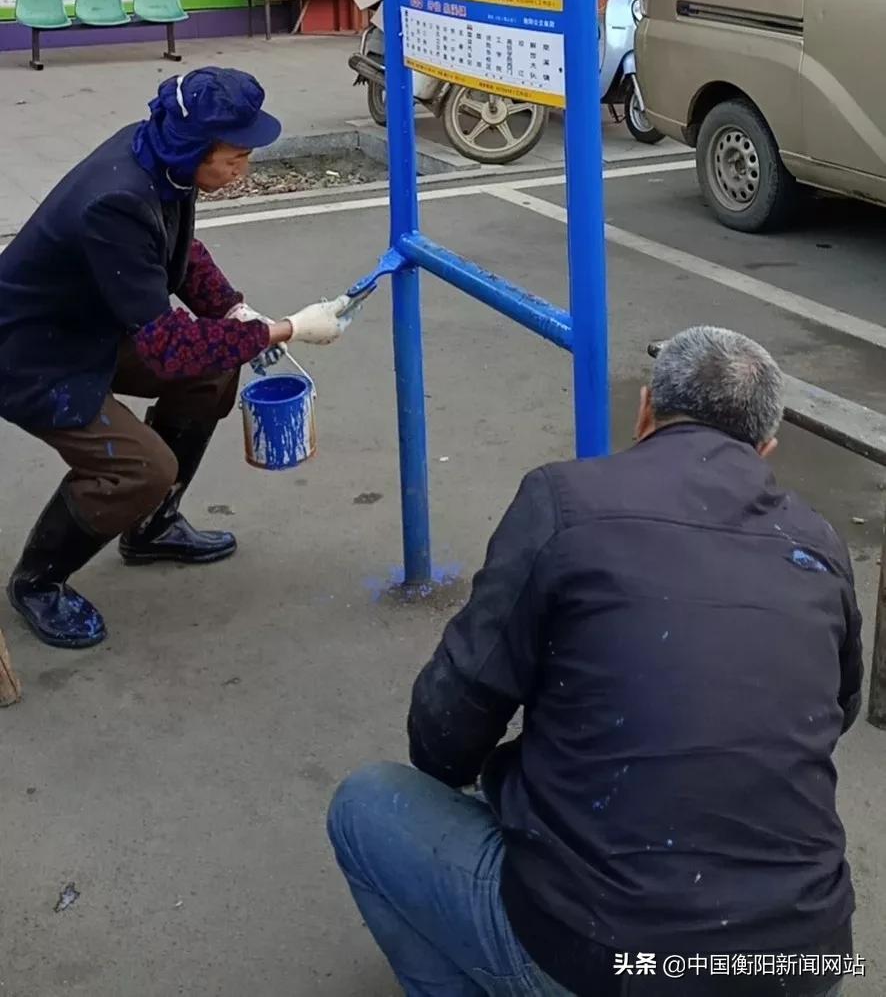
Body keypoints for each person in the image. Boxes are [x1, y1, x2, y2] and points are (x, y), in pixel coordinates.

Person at [328, 326, 862, 997]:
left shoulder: (562, 504)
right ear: (765, 450)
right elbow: (834, 713)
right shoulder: (819, 545)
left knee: (366, 804)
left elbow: (441, 738)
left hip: (608, 960)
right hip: (804, 962)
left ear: (645, 412)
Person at [0, 67, 352, 652]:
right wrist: (280, 330)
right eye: (236, 157)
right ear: (197, 148)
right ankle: (38, 581)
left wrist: (236, 312)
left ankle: (151, 526)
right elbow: (167, 346)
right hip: (34, 353)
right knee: (143, 467)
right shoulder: (115, 198)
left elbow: (180, 252)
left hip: (94, 323)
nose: (244, 170)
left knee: (213, 370)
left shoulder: (161, 157)